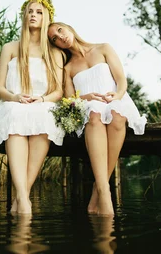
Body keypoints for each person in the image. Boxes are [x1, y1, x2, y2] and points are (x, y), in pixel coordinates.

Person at [0, 0, 64, 215]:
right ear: (24, 16)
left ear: (47, 18)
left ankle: (21, 197)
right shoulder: (10, 47)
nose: (33, 15)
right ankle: (24, 199)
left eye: (39, 12)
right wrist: (15, 97)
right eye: (30, 12)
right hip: (14, 102)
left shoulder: (54, 52)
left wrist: (42, 99)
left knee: (44, 117)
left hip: (42, 103)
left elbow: (59, 91)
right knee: (16, 116)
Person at [47, 22, 147, 216]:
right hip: (89, 108)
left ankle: (97, 191)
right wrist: (86, 97)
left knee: (117, 115)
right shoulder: (67, 68)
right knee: (94, 113)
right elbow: (70, 100)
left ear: (68, 27)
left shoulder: (103, 48)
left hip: (114, 99)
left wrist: (116, 96)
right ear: (55, 45)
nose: (61, 37)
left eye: (60, 30)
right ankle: (105, 193)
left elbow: (121, 81)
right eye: (54, 39)